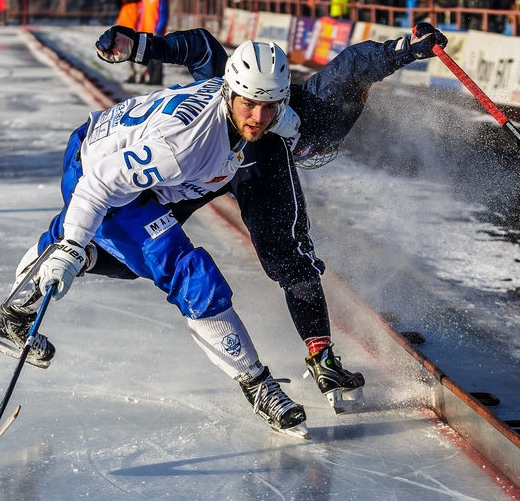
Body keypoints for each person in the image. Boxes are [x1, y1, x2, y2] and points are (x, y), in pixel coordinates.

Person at [90, 21, 448, 415]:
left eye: (270, 108)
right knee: (287, 259)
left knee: (283, 258)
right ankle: (322, 358)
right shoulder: (316, 110)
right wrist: (405, 48)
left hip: (244, 167)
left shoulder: (309, 113)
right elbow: (350, 67)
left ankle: (87, 254)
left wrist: (140, 46)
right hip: (225, 163)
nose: (260, 116)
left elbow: (349, 68)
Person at [0, 40, 313, 438]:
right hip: (95, 171)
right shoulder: (182, 144)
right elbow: (100, 182)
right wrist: (70, 245)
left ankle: (12, 315)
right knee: (188, 272)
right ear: (229, 91)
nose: (258, 117)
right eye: (249, 104)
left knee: (132, 260)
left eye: (269, 106)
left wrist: (288, 124)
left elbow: (266, 109)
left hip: (118, 160)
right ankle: (258, 386)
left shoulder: (242, 101)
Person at [136, 0, 168, 84]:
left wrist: (159, 29)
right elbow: (142, 13)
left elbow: (163, 14)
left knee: (158, 56)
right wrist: (139, 28)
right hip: (145, 30)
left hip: (156, 31)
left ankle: (157, 78)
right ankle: (149, 77)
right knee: (148, 55)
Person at [114, 0, 142, 82]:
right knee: (128, 56)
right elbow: (116, 0)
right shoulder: (123, 3)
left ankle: (142, 75)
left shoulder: (140, 4)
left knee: (140, 55)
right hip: (125, 33)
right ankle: (132, 75)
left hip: (137, 32)